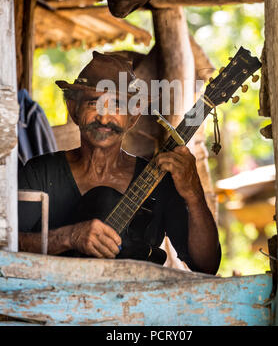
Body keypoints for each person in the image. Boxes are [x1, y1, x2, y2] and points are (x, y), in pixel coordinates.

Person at [18, 51, 221, 274]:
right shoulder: (40, 173)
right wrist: (69, 237)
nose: (104, 118)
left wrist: (194, 195)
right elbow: (5, 243)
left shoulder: (157, 181)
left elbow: (207, 265)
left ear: (132, 118)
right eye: (94, 103)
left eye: (116, 106)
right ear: (73, 110)